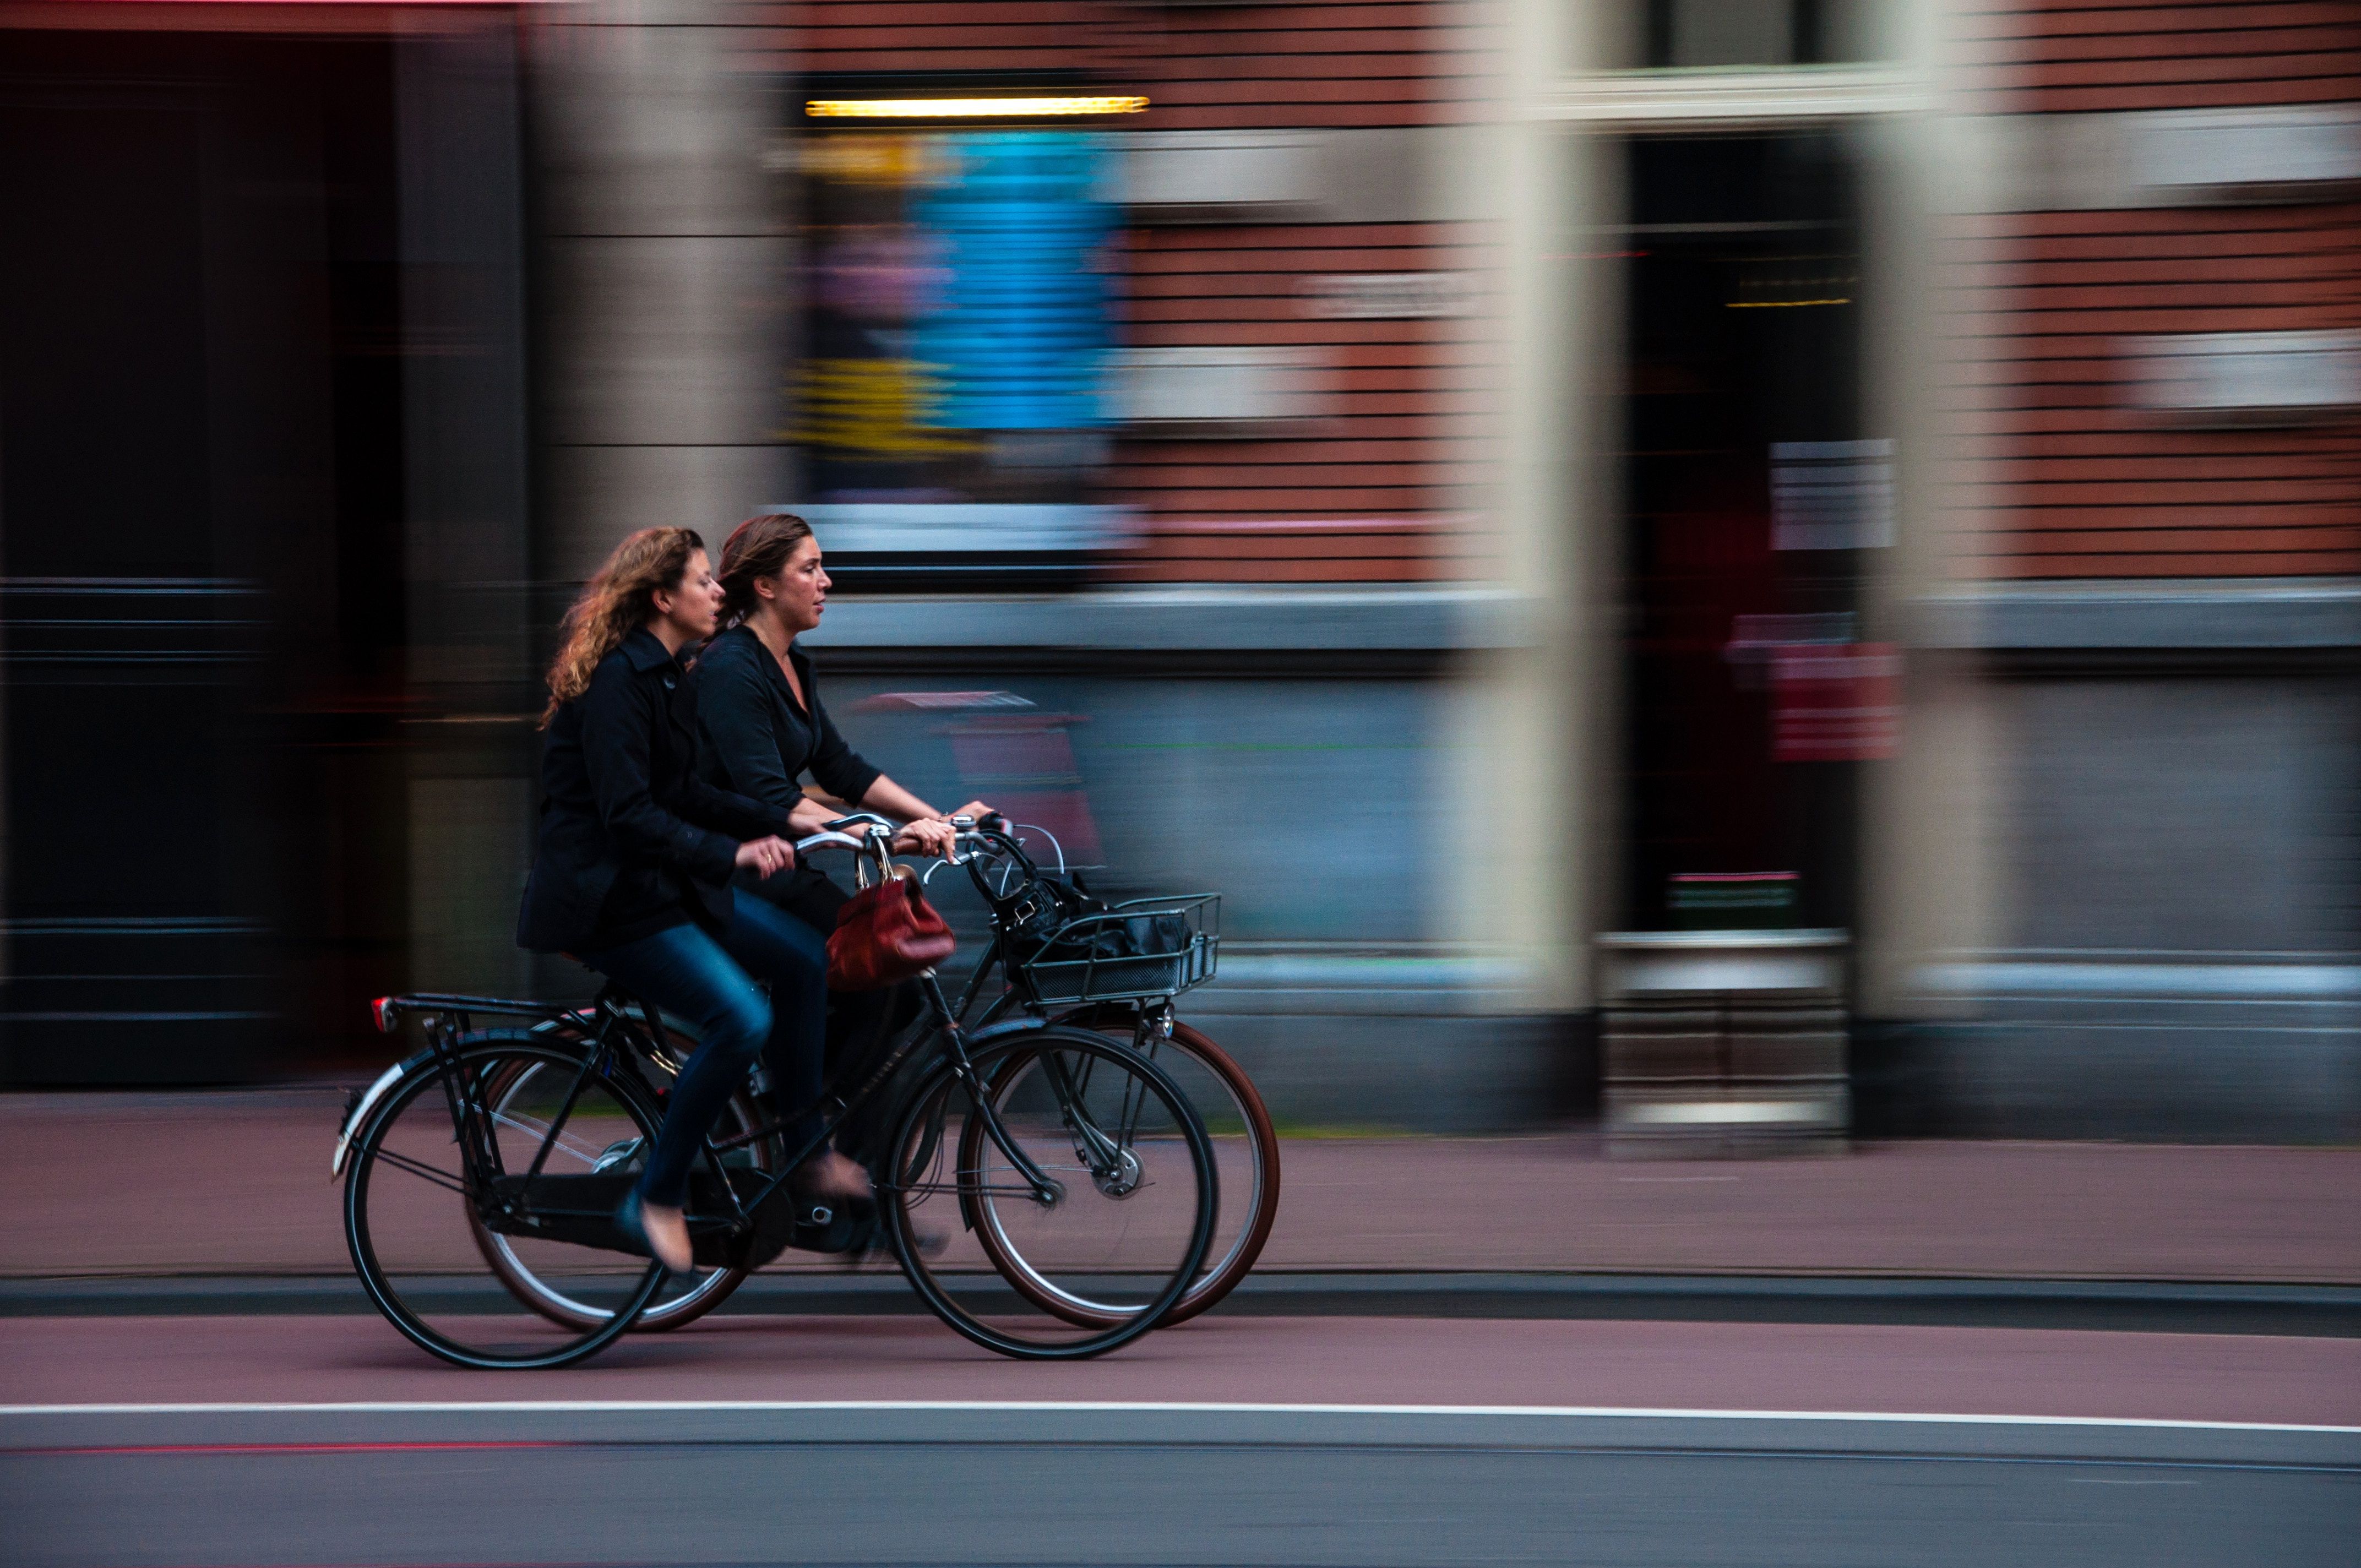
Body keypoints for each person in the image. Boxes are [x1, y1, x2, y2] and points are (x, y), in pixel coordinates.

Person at [514, 526, 865, 1277]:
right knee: (741, 1019)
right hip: (609, 904)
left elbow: (686, 791)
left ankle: (805, 1153)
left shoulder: (670, 674)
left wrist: (785, 820)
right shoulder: (618, 681)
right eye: (704, 582)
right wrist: (731, 852)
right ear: (662, 597)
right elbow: (629, 815)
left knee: (806, 960)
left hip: (662, 888)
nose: (718, 593)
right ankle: (655, 1196)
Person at [691, 513, 992, 1153]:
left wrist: (932, 817)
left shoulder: (792, 662)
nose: (826, 581)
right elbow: (769, 796)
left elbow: (840, 767)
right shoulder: (729, 668)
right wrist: (883, 834)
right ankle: (814, 1146)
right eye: (810, 568)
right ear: (766, 586)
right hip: (729, 873)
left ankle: (810, 1127)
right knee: (878, 975)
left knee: (892, 986)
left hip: (781, 869)